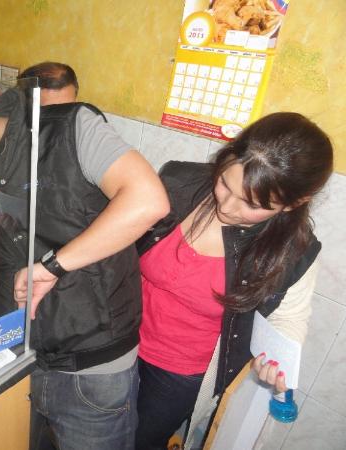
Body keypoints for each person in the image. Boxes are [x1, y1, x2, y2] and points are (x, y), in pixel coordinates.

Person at [0, 80, 169, 449]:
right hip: (16, 354)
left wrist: (53, 266)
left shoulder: (69, 129)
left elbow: (148, 200)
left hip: (90, 366)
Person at [133, 112, 333, 450]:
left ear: (292, 204)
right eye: (225, 183)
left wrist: (278, 363)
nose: (226, 206)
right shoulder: (179, 182)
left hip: (178, 374)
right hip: (118, 340)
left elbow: (289, 319)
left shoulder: (293, 250)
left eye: (251, 204)